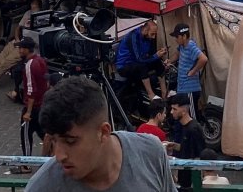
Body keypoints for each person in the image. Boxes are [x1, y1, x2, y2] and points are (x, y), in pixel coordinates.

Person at [24, 76, 172, 192]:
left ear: (103, 132)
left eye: (70, 141)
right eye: (54, 141)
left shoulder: (151, 153)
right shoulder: (43, 186)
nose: (59, 155)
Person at [16, 36, 51, 168]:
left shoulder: (29, 65)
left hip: (33, 107)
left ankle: (26, 164)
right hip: (42, 105)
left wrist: (28, 112)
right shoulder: (41, 60)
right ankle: (51, 157)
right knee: (42, 132)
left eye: (21, 48)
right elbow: (46, 81)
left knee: (25, 134)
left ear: (26, 49)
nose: (19, 50)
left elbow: (31, 90)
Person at [116, 20, 165, 101]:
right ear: (145, 30)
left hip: (137, 62)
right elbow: (139, 59)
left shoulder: (148, 38)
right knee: (141, 66)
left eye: (155, 34)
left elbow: (150, 54)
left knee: (157, 62)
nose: (153, 37)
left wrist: (160, 54)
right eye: (152, 34)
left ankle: (164, 92)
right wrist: (156, 55)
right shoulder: (133, 36)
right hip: (124, 66)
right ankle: (151, 94)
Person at [172, 25, 208, 116]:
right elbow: (177, 54)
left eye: (177, 37)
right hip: (182, 87)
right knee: (183, 114)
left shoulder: (191, 46)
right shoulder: (182, 46)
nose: (176, 39)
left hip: (190, 89)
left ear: (184, 36)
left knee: (191, 116)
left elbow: (203, 59)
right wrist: (169, 61)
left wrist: (193, 71)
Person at [165, 95, 205, 161]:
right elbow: (187, 148)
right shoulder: (182, 126)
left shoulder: (193, 129)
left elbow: (197, 156)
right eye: (172, 108)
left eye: (175, 109)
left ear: (184, 111)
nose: (171, 112)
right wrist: (174, 146)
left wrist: (174, 160)